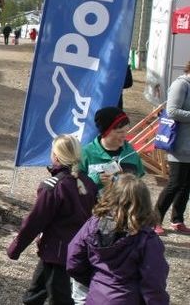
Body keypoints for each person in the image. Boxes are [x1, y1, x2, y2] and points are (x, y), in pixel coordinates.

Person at [6, 135, 97, 305]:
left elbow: (35, 222)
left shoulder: (53, 186)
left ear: (55, 156)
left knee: (59, 298)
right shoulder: (88, 183)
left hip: (58, 252)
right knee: (35, 293)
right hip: (74, 249)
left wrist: (15, 248)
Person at [67, 174, 170, 305]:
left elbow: (73, 259)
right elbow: (154, 283)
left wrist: (96, 280)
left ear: (111, 196)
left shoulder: (93, 225)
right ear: (145, 203)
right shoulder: (146, 239)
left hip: (96, 297)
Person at [154, 62, 190, 235]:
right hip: (179, 143)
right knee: (175, 184)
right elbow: (173, 110)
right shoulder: (181, 84)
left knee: (186, 185)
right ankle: (154, 220)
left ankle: (177, 220)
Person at [79, 106, 144, 192]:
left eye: (126, 131)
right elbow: (75, 185)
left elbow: (139, 182)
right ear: (105, 132)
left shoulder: (131, 153)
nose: (124, 135)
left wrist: (125, 180)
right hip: (96, 204)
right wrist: (94, 179)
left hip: (124, 204)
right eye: (119, 132)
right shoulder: (86, 153)